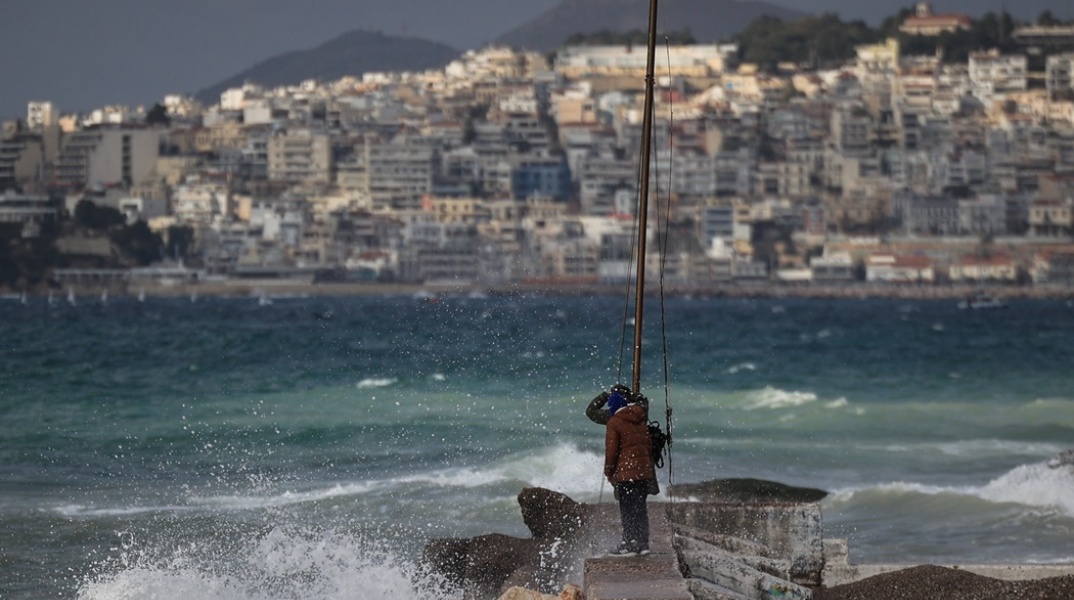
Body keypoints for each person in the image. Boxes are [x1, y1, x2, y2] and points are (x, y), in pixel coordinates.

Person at [601, 387, 655, 556]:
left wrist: (608, 472)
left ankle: (629, 544)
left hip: (626, 474)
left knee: (627, 509)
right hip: (643, 472)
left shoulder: (614, 422)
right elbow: (648, 445)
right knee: (640, 508)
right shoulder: (640, 418)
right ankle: (643, 543)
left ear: (613, 407)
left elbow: (612, 451)